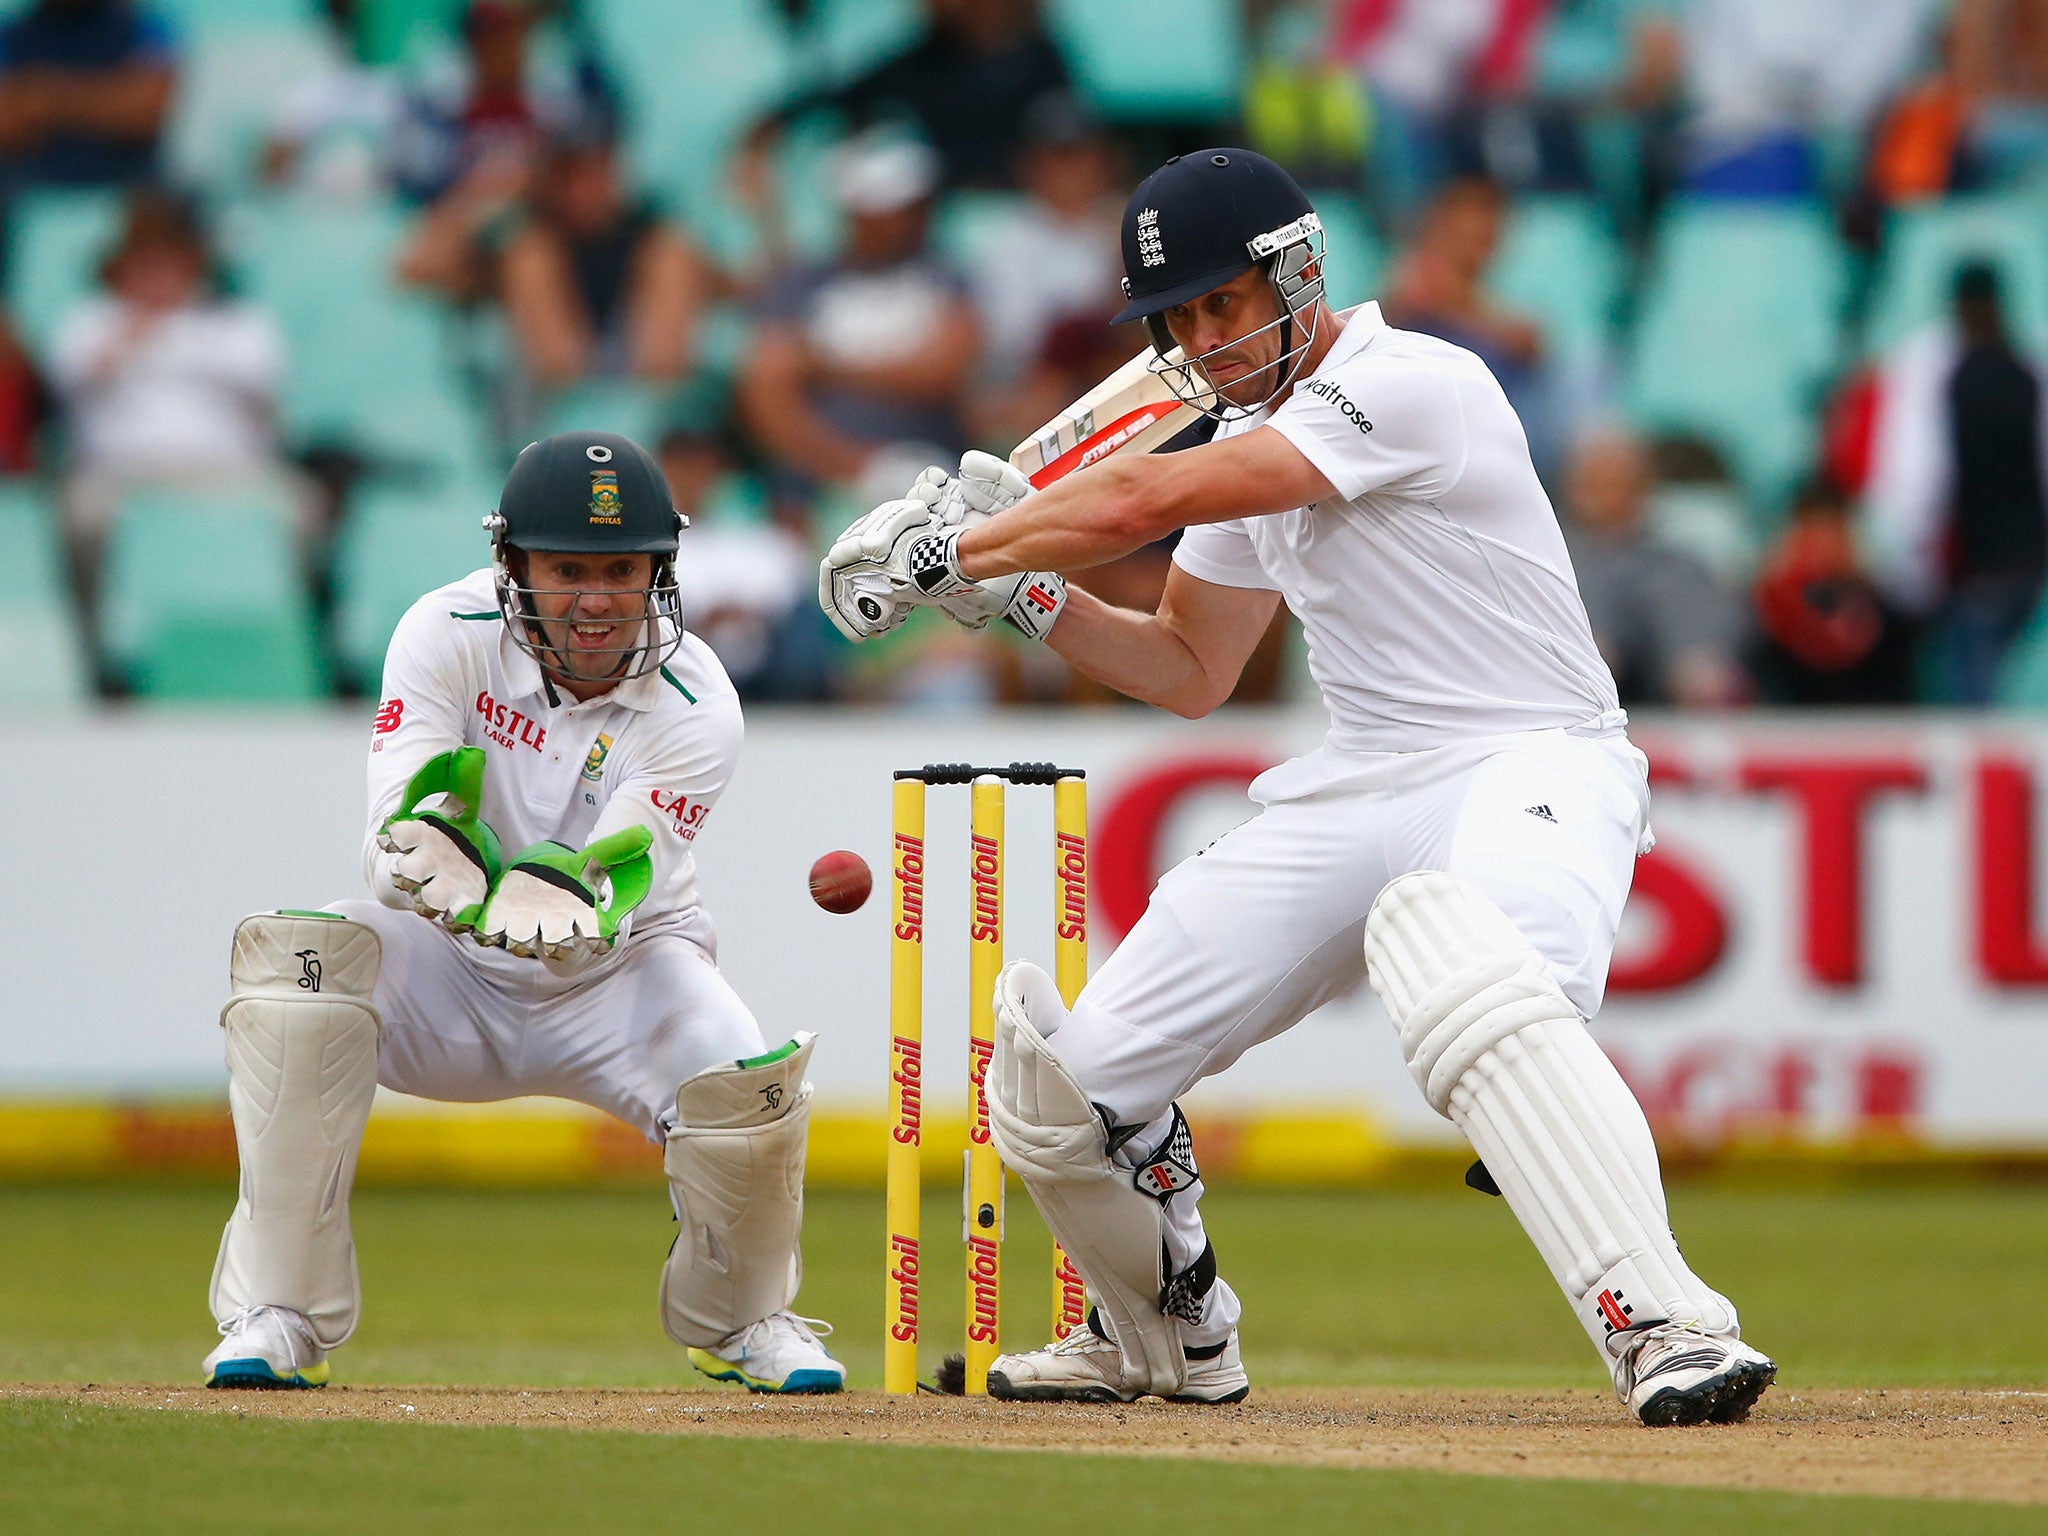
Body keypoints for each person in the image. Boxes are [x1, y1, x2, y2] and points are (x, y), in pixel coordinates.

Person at [820, 148, 1776, 1424]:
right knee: (1062, 1091)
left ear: (1299, 273)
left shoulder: (1414, 383)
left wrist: (960, 539)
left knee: (1459, 964)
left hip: (1530, 756)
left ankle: (1664, 1325)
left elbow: (1148, 491)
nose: (1208, 343)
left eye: (1228, 305)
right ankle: (1160, 1340)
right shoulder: (1233, 445)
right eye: (1182, 319)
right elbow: (1186, 667)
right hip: (1360, 779)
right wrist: (1019, 596)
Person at [201, 430, 844, 1396]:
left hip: (618, 981)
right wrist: (428, 863)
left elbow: (614, 874)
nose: (595, 599)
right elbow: (392, 839)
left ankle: (747, 1320)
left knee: (746, 1084)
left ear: (660, 571)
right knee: (304, 966)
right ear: (512, 564)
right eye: (567, 569)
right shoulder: (442, 629)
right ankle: (277, 1310)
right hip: (442, 971)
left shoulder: (698, 698)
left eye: (623, 569)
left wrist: (565, 889)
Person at [737, 133, 977, 494]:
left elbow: (944, 370)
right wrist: (851, 466)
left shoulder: (945, 275)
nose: (905, 221)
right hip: (817, 483)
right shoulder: (802, 284)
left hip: (930, 471)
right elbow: (766, 385)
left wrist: (823, 365)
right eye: (889, 210)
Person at [1560, 426, 1750, 708]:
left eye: (1618, 481)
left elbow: (1710, 635)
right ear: (1570, 488)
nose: (1606, 493)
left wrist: (1700, 667)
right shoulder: (1550, 562)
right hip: (1573, 705)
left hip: (1676, 709)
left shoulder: (1679, 566)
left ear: (1643, 487)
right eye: (1595, 482)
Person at [0, 0, 176, 194]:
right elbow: (6, 123)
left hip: (124, 191)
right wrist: (106, 97)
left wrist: (46, 96)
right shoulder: (10, 35)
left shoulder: (142, 27)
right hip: (27, 193)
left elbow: (147, 113)